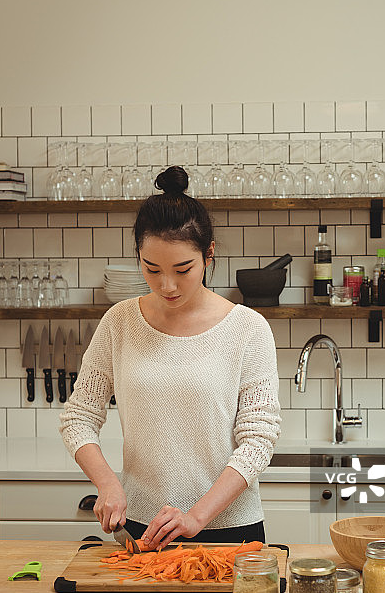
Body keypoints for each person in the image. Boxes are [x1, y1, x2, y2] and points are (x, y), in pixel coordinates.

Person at [59, 165, 281, 549]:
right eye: (151, 268)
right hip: (142, 530)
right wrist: (108, 484)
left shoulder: (248, 328)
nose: (167, 285)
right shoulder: (120, 321)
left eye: (183, 269)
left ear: (208, 255)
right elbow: (78, 417)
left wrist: (197, 516)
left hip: (231, 534)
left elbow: (259, 440)